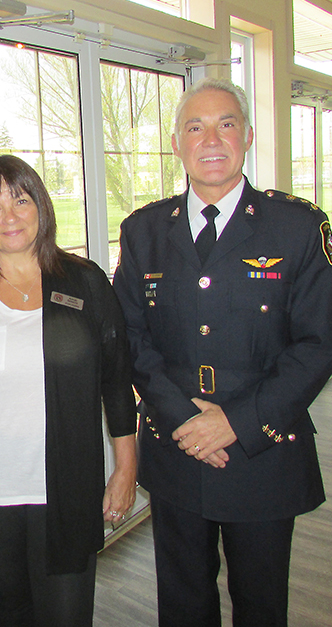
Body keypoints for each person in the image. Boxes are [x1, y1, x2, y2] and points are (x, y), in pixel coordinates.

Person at [112, 77, 332, 627]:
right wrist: (188, 420)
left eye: (226, 124)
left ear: (249, 136)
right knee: (182, 605)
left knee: (261, 605)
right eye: (195, 126)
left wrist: (235, 421)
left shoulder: (299, 227)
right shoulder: (143, 231)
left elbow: (318, 342)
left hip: (261, 453)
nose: (211, 138)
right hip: (177, 450)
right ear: (176, 144)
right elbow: (129, 338)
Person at [0, 155, 137, 627]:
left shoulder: (86, 283)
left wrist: (125, 469)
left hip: (69, 495)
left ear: (40, 204)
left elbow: (117, 382)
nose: (10, 216)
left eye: (20, 199)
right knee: (7, 619)